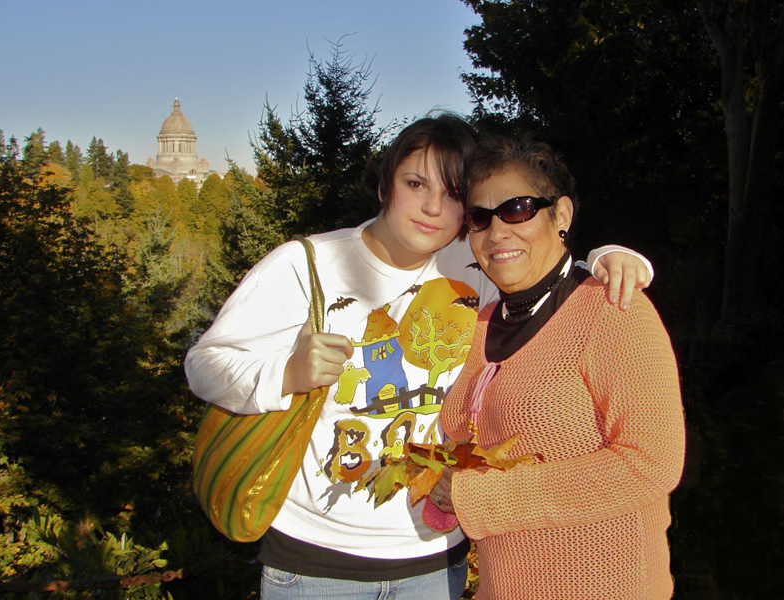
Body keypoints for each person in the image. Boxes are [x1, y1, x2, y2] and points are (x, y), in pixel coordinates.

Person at [184, 114, 653, 600]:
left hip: (436, 559)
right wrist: (285, 374)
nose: (432, 207)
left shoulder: (473, 266)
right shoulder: (307, 265)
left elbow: (542, 274)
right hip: (315, 564)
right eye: (415, 183)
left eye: (453, 194)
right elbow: (205, 365)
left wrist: (605, 260)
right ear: (384, 185)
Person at [432, 133, 686, 600]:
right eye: (480, 217)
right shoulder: (482, 321)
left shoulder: (612, 309)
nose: (497, 232)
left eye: (517, 209)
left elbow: (652, 463)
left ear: (561, 215)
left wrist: (480, 498)